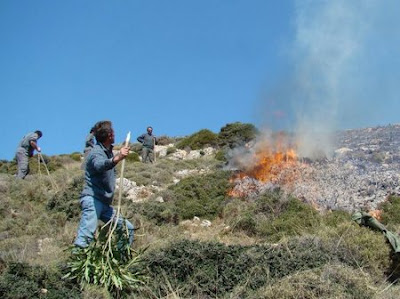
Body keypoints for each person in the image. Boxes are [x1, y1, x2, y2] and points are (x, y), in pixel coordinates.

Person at [74, 120, 134, 249]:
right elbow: (100, 165)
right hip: (93, 200)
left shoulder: (107, 152)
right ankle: (74, 266)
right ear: (110, 135)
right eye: (113, 132)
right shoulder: (96, 152)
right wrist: (117, 158)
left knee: (127, 228)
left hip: (104, 204)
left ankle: (119, 261)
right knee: (85, 238)